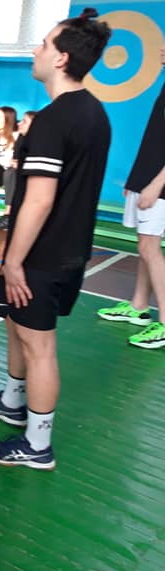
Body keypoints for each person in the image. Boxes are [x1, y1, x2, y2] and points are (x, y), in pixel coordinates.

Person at [0, 9, 113, 470]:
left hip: (42, 254)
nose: (36, 50)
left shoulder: (52, 120)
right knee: (16, 322)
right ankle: (13, 402)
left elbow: (39, 200)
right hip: (67, 249)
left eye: (44, 44)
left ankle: (37, 445)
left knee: (40, 346)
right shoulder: (95, 113)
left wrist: (14, 261)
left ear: (62, 58)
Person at [96, 45, 165, 350]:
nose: (161, 48)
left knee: (150, 247)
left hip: (159, 185)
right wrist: (137, 180)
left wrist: (156, 185)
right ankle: (139, 306)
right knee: (145, 245)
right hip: (146, 178)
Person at [0, 110, 36, 231]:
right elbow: (15, 156)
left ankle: (9, 215)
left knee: (10, 173)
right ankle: (8, 216)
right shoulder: (21, 138)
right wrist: (15, 162)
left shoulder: (40, 141)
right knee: (9, 172)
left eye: (24, 121)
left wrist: (21, 164)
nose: (19, 123)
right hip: (18, 172)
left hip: (34, 175)